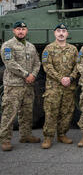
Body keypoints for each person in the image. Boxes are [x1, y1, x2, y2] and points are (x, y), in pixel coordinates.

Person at [0, 21, 41, 151]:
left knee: (27, 112)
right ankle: (5, 140)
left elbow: (37, 63)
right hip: (14, 85)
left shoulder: (31, 46)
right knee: (9, 113)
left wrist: (33, 75)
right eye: (18, 29)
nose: (21, 31)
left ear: (26, 31)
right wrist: (26, 75)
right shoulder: (8, 45)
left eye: (23, 29)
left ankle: (25, 135)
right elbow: (10, 63)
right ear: (14, 31)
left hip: (28, 85)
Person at [40, 23, 78, 149]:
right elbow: (47, 66)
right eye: (58, 31)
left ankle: (62, 134)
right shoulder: (48, 49)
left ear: (67, 34)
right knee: (51, 112)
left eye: (63, 31)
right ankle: (48, 137)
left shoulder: (73, 49)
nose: (61, 33)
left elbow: (78, 66)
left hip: (68, 86)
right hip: (54, 87)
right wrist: (60, 78)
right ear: (54, 33)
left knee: (67, 112)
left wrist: (71, 77)